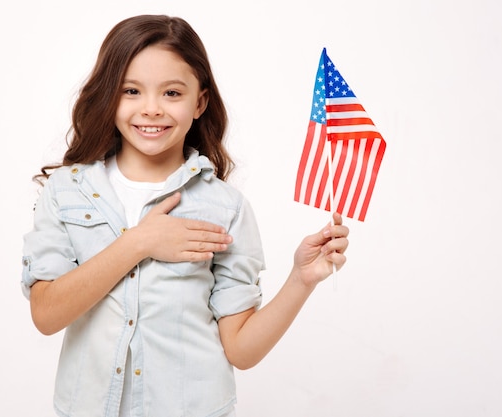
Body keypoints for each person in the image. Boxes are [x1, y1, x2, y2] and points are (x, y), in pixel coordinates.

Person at [21, 14, 349, 417]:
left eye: (172, 93)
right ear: (109, 96)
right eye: (132, 91)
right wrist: (139, 242)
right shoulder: (68, 192)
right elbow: (46, 314)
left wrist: (301, 280)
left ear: (200, 102)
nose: (152, 109)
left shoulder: (226, 208)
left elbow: (241, 351)